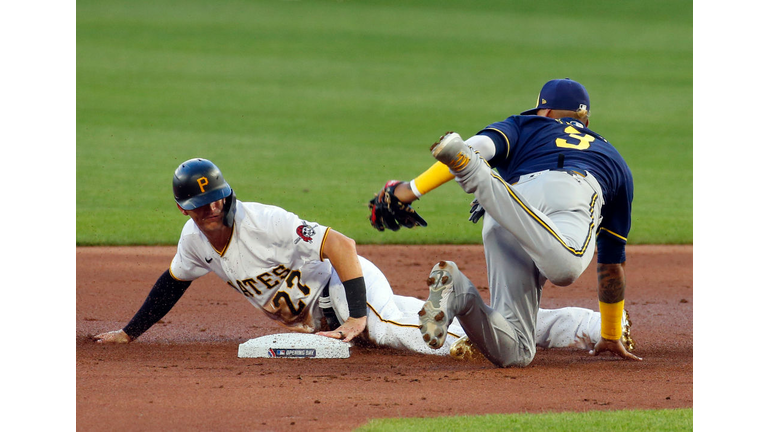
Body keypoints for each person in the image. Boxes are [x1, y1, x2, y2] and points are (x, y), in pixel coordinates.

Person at [94, 158, 627, 358]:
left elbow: (342, 246)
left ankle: (473, 338)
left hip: (346, 286)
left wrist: (352, 316)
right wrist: (129, 331)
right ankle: (570, 324)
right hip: (318, 315)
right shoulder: (194, 242)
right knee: (409, 316)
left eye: (217, 197)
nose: (211, 207)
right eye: (199, 203)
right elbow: (172, 283)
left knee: (391, 326)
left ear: (226, 193)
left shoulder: (264, 219)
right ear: (183, 208)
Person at [368, 78, 641, 367]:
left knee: (517, 352)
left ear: (544, 111)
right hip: (570, 195)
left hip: (509, 208)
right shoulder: (613, 157)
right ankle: (479, 178)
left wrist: (409, 189)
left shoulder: (526, 125)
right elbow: (611, 265)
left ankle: (458, 291)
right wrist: (610, 333)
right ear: (586, 120)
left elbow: (477, 147)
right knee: (565, 268)